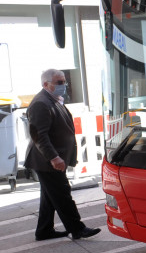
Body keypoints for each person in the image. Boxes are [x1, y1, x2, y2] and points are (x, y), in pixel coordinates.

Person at [24, 70, 101, 241]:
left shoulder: (52, 100)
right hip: (47, 161)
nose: (63, 85)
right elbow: (39, 136)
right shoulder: (40, 104)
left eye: (64, 81)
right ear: (46, 84)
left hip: (51, 160)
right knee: (62, 194)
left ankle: (44, 230)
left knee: (50, 197)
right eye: (59, 82)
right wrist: (54, 157)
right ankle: (77, 229)